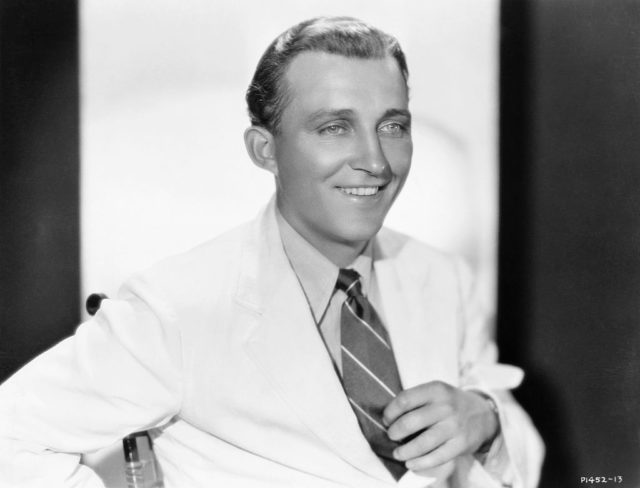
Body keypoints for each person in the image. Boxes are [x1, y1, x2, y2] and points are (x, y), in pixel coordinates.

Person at [0, 16, 543, 488]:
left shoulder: (441, 278)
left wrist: (486, 420)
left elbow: (520, 450)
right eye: (335, 127)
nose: (376, 161)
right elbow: (11, 435)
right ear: (265, 150)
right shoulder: (175, 308)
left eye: (392, 126)